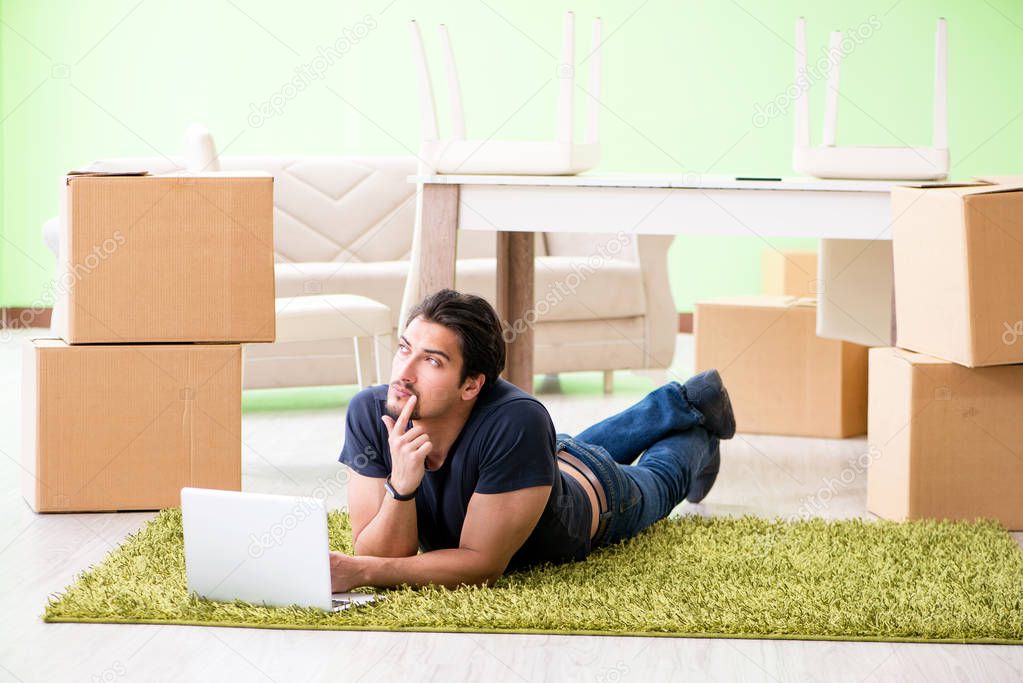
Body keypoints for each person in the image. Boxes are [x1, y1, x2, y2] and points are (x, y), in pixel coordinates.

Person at [330, 289, 735, 592]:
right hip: (534, 463)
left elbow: (481, 565)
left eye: (432, 360)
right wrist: (401, 488)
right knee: (559, 447)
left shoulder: (517, 421)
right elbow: (376, 551)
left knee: (661, 477)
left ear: (471, 385)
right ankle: (682, 399)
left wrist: (363, 571)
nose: (404, 371)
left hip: (597, 491)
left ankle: (699, 432)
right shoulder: (371, 411)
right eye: (405, 349)